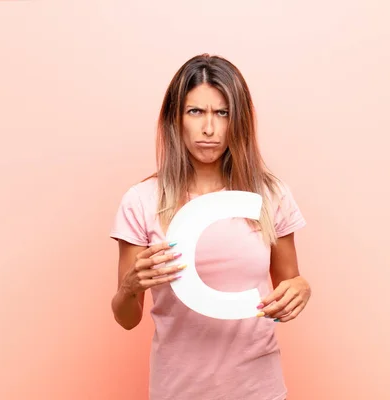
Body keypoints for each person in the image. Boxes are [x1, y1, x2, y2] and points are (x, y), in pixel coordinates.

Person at [110, 53, 311, 400]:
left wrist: (301, 289)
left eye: (223, 113)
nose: (209, 129)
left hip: (258, 389)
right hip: (177, 391)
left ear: (240, 121)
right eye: (195, 112)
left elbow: (289, 282)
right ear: (176, 119)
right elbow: (127, 318)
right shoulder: (142, 200)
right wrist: (129, 287)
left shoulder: (270, 195)